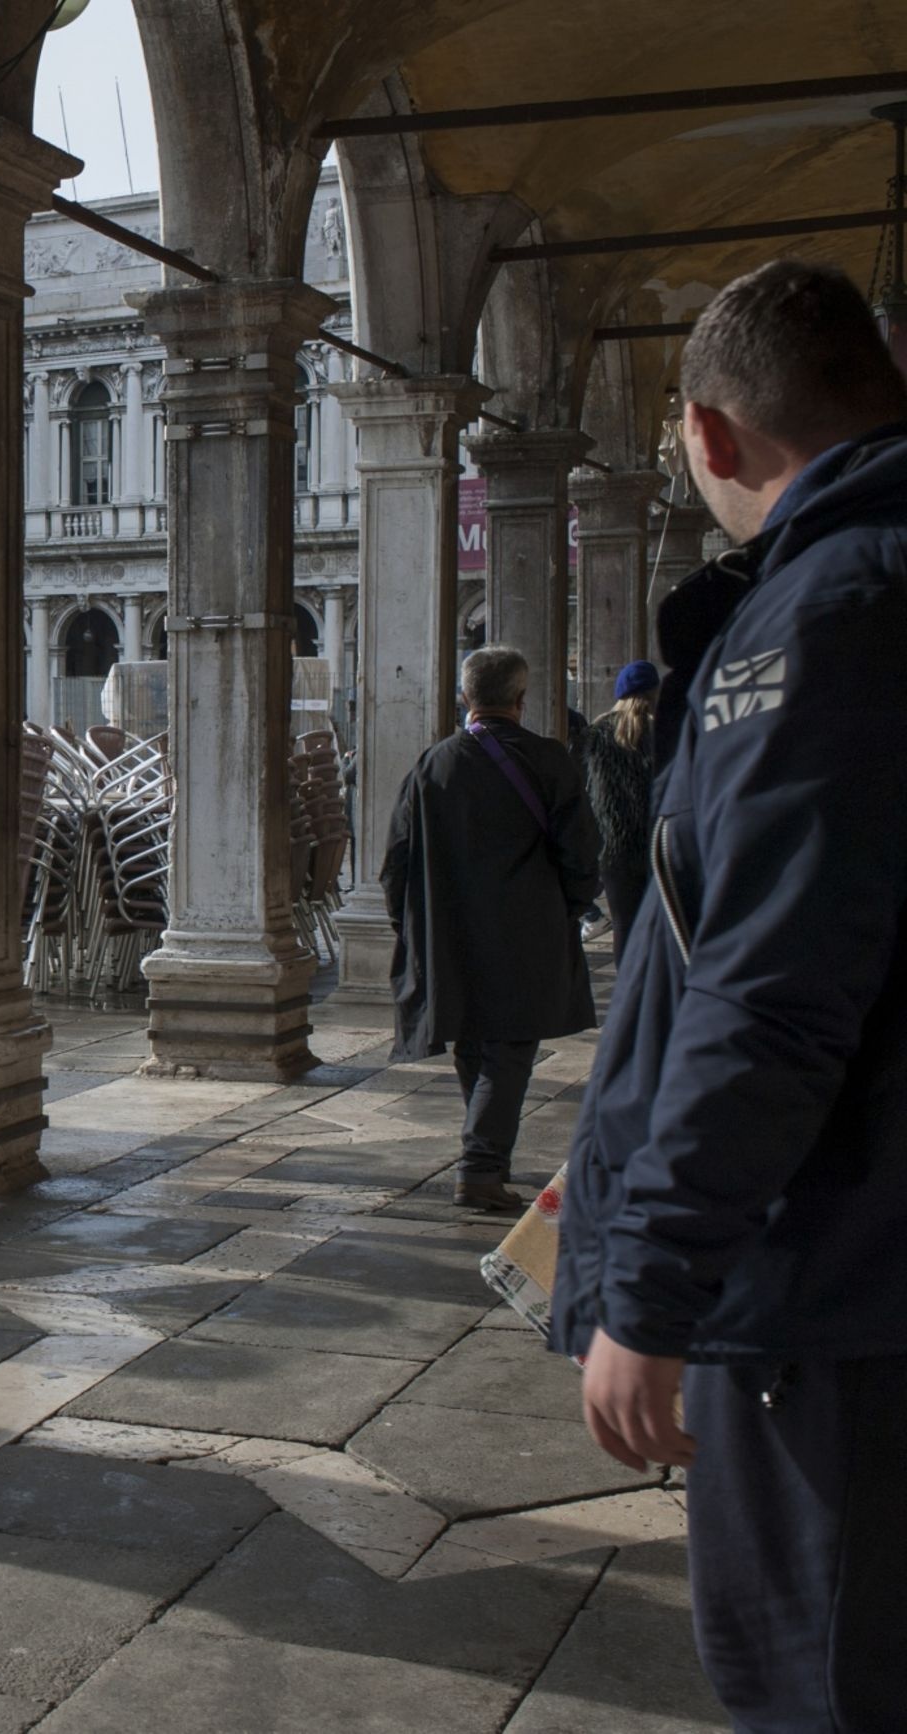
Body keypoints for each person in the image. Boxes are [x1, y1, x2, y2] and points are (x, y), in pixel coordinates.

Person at [551, 260, 907, 1730]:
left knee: (815, 1683)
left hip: (825, 1282)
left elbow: (765, 990)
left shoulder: (829, 612)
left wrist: (653, 1285)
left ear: (705, 435)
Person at [378, 645, 601, 1212]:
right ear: (521, 700)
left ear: (465, 697)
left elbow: (396, 860)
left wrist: (411, 926)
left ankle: (488, 1156)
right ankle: (480, 1167)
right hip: (526, 928)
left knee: (477, 1038)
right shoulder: (550, 761)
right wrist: (569, 909)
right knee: (509, 1045)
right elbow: (582, 854)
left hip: (451, 928)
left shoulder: (433, 763)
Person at [575, 661, 658, 955]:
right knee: (659, 924)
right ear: (654, 692)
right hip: (656, 845)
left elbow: (582, 792)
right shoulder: (662, 731)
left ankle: (627, 990)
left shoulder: (595, 735)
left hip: (613, 848)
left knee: (624, 923)